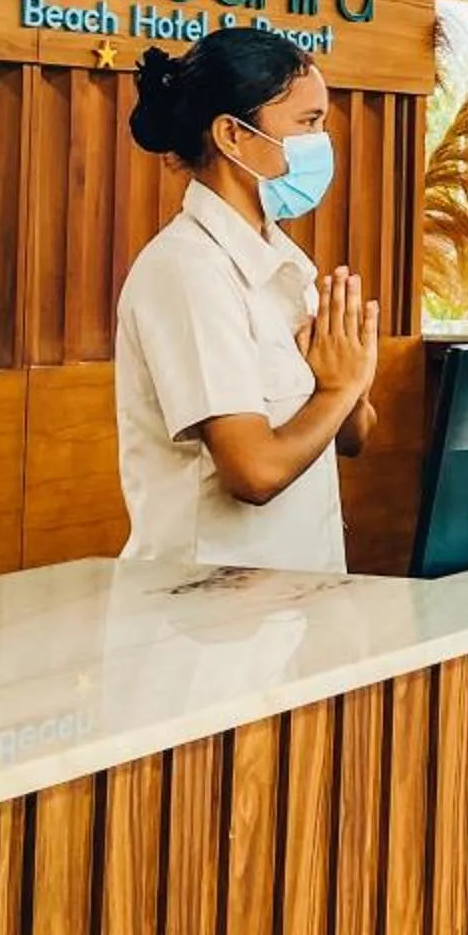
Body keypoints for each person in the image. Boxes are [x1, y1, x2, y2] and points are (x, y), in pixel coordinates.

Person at [117, 29, 378, 572]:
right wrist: (339, 387)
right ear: (233, 136)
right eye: (307, 124)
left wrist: (350, 386)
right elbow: (253, 473)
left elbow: (352, 436)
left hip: (295, 606)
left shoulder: (284, 263)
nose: (322, 142)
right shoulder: (188, 270)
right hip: (207, 623)